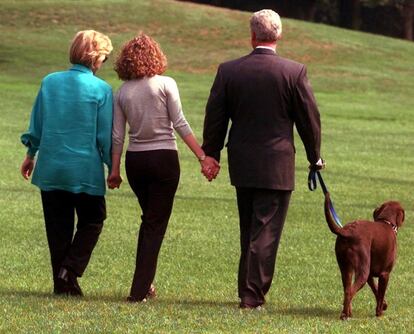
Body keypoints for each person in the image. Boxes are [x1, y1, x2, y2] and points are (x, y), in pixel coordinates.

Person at [201, 9, 324, 309]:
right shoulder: (294, 72)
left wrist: (211, 154)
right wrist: (315, 157)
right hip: (277, 164)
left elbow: (215, 118)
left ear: (252, 35)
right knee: (265, 231)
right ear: (279, 35)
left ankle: (247, 288)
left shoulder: (229, 70)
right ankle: (251, 295)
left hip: (242, 162)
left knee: (250, 229)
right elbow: (309, 120)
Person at [107, 33, 218, 302]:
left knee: (150, 221)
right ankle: (139, 291)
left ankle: (147, 284)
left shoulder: (122, 92)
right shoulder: (166, 84)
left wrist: (114, 170)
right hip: (164, 160)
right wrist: (202, 157)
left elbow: (117, 135)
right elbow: (179, 123)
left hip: (136, 162)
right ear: (156, 56)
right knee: (154, 224)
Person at [20, 30, 113, 296]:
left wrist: (30, 155)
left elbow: (37, 124)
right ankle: (69, 271)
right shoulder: (102, 90)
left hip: (50, 166)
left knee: (57, 227)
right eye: (104, 58)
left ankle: (61, 284)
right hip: (84, 170)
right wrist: (112, 167)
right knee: (94, 219)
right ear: (96, 58)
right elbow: (104, 136)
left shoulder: (49, 82)